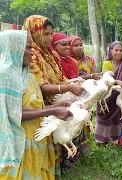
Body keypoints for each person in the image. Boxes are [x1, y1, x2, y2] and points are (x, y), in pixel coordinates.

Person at [0, 30, 71, 180]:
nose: (31, 53)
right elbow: (14, 114)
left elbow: (35, 108)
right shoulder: (5, 76)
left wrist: (59, 105)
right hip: (19, 143)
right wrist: (51, 112)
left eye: (31, 48)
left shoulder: (28, 76)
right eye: (27, 48)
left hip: (35, 138)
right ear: (13, 47)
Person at [23, 15, 84, 178]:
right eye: (46, 34)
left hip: (57, 102)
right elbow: (40, 87)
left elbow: (60, 78)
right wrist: (68, 87)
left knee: (55, 141)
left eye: (51, 34)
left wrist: (79, 82)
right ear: (33, 32)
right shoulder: (31, 54)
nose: (49, 38)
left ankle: (56, 172)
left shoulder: (50, 54)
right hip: (38, 105)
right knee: (42, 141)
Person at [95, 41, 122, 146]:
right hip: (106, 96)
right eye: (116, 50)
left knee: (116, 118)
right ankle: (102, 140)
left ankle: (114, 140)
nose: (119, 53)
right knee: (104, 116)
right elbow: (106, 79)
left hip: (118, 97)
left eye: (121, 50)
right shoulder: (107, 64)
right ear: (110, 51)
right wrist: (117, 82)